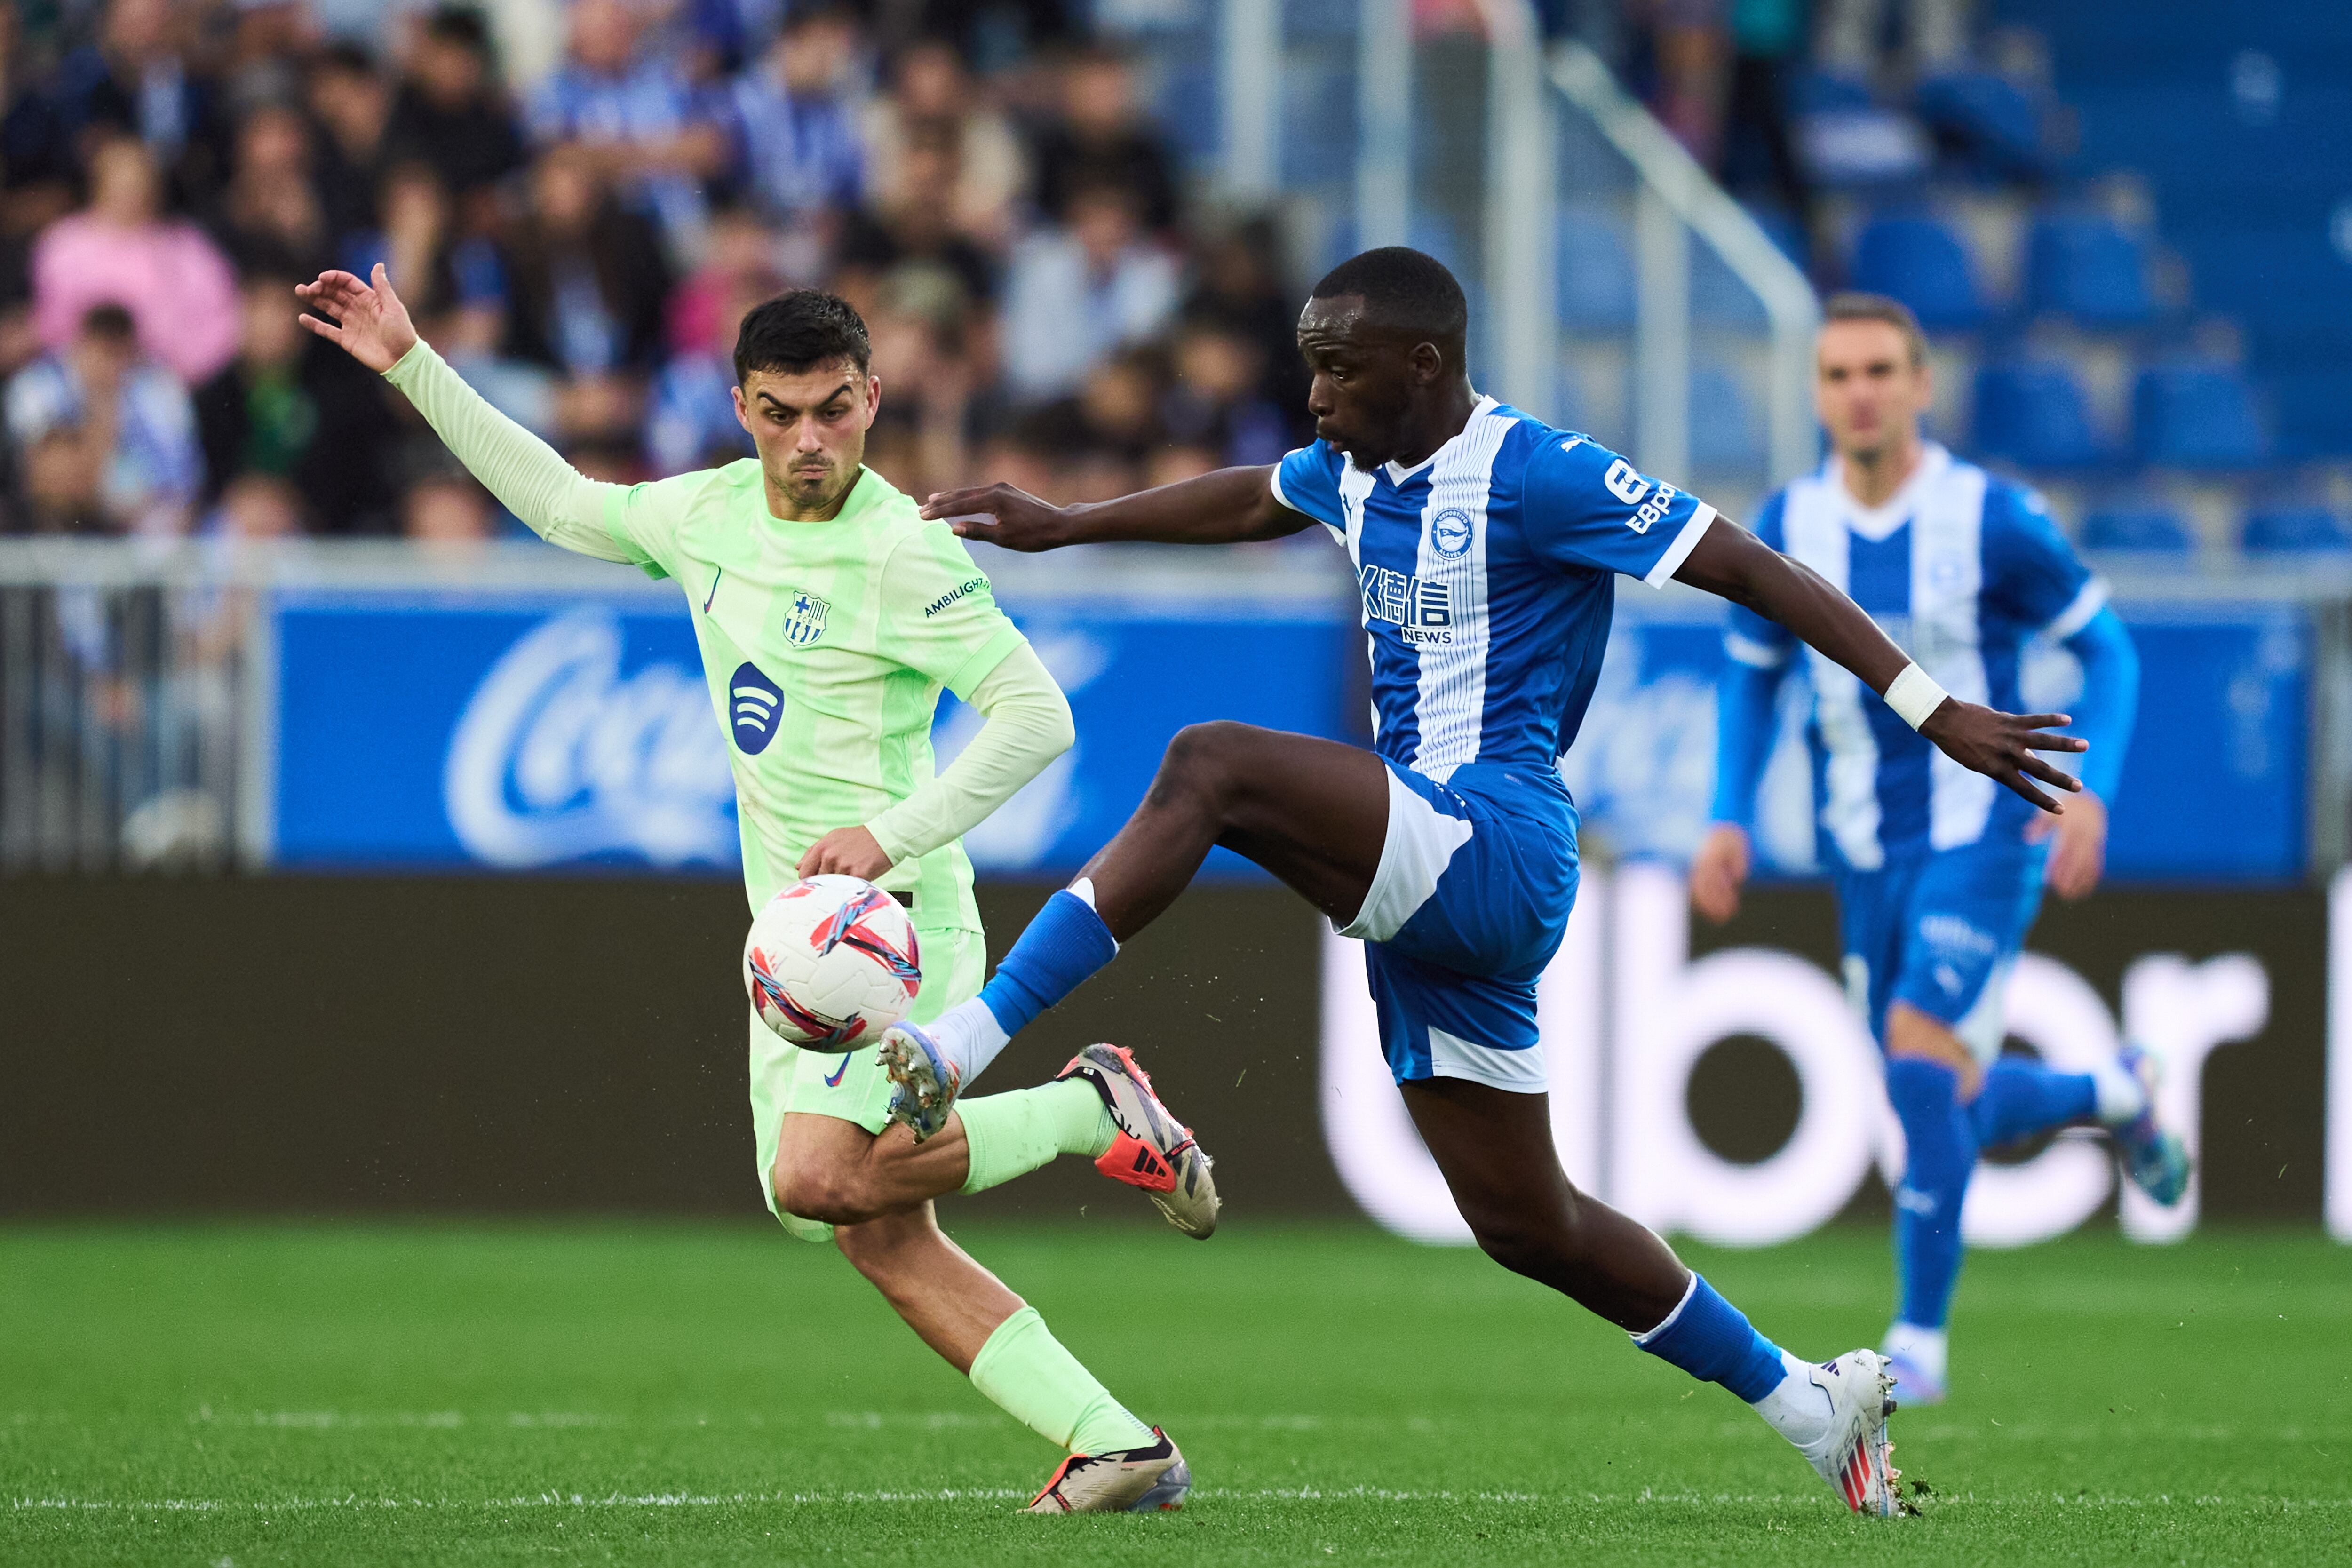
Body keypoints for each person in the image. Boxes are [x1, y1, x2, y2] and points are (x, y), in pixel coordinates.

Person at [890, 248, 2098, 1517]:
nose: (1315, 395)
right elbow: (1254, 497)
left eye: (1337, 369)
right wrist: (1068, 522)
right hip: (1427, 876)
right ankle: (1810, 1402)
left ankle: (969, 1040)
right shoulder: (1353, 466)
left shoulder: (1540, 473)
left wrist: (1931, 707)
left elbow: (1749, 565)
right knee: (1530, 1223)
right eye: (1309, 368)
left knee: (1211, 766)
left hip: (1496, 838)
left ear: (1423, 365)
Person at [293, 266, 1213, 1513]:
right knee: (864, 1226)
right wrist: (412, 361)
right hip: (791, 940)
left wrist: (887, 833)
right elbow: (561, 502)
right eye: (781, 414)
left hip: (895, 925)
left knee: (817, 1178)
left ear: (872, 399)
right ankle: (1116, 1443)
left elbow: (1036, 716)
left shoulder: (904, 552)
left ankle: (1085, 1110)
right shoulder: (710, 514)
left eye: (833, 410)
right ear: (741, 408)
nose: (809, 439)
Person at [1688, 293, 2188, 1405]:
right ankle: (2115, 1089)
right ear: (1815, 392)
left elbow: (2109, 651)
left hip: (1984, 831)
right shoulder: (1787, 524)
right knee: (1938, 1096)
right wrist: (1726, 813)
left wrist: (2092, 792)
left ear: (1919, 384)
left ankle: (1916, 1343)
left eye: (1879, 371)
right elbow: (1751, 680)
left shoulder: (1992, 519)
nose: (1859, 393)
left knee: (1919, 1057)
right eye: (1837, 375)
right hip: (1859, 850)